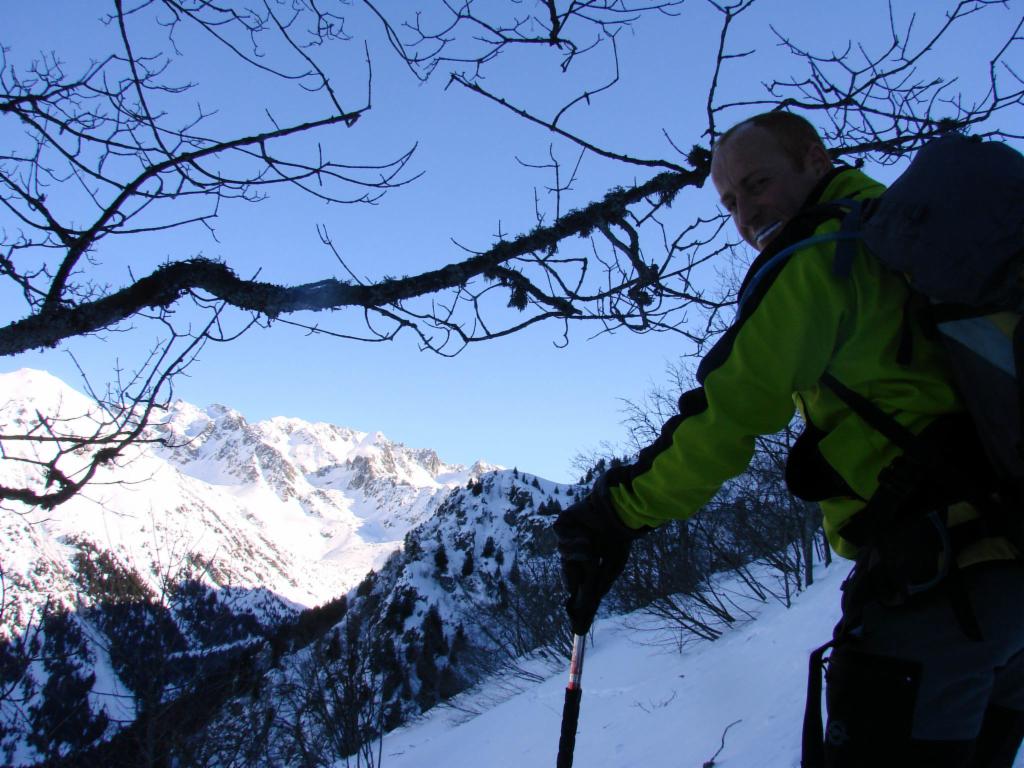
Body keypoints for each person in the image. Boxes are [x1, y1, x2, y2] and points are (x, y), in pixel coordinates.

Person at [554, 111, 1024, 767]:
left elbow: (727, 416)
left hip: (936, 595)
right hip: (1008, 582)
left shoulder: (819, 260)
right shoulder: (911, 239)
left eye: (758, 183)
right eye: (730, 201)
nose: (747, 213)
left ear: (813, 157)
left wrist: (616, 512)